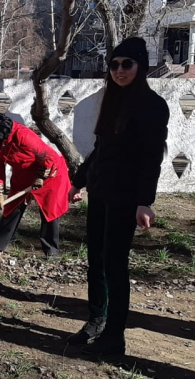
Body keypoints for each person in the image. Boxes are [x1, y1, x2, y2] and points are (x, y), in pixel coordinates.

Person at [66, 37, 169, 356]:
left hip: (126, 197)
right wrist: (79, 181)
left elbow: (152, 158)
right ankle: (96, 319)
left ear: (141, 66)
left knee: (114, 264)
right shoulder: (110, 101)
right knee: (95, 260)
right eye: (114, 65)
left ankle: (114, 338)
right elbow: (100, 150)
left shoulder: (153, 106)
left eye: (127, 64)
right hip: (100, 191)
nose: (120, 71)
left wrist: (144, 201)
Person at [0, 112, 69, 258]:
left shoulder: (23, 135)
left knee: (49, 212)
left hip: (50, 174)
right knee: (11, 209)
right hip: (23, 177)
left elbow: (48, 157)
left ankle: (51, 253)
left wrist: (40, 178)